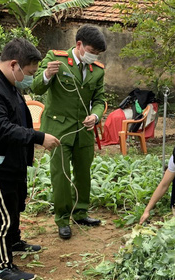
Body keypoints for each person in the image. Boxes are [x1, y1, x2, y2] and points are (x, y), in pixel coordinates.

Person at [0, 38, 60, 280]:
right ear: (14, 64)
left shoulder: (7, 83)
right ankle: (3, 268)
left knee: (15, 204)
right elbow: (0, 129)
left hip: (12, 161)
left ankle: (15, 242)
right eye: (29, 72)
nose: (29, 77)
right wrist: (39, 138)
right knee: (4, 215)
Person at [31, 25, 107, 240]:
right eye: (91, 51)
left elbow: (99, 100)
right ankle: (63, 219)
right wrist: (46, 74)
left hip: (83, 130)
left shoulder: (98, 70)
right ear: (79, 45)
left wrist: (96, 116)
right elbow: (36, 87)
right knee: (61, 176)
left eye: (98, 54)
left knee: (83, 173)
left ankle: (81, 212)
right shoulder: (56, 59)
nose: (94, 56)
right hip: (58, 130)